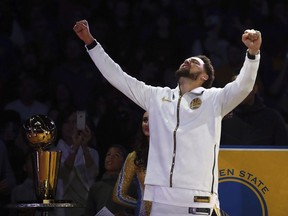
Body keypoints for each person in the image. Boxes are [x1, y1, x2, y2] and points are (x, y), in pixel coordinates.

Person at [73, 20, 262, 216]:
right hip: (160, 198)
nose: (188, 61)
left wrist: (253, 54)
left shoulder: (214, 99)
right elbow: (118, 77)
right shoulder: (156, 96)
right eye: (186, 60)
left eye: (195, 62)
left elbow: (244, 86)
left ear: (204, 77)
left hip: (197, 196)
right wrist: (91, 43)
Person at [55, 108, 99, 216]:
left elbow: (92, 174)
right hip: (62, 207)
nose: (70, 126)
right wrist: (75, 148)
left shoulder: (92, 152)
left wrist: (83, 146)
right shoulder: (52, 152)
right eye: (67, 122)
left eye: (74, 122)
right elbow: (63, 173)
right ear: (60, 125)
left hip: (85, 206)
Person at [221, 76, 288, 146]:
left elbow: (283, 152)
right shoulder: (221, 118)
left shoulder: (273, 119)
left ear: (255, 88)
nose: (240, 90)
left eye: (245, 85)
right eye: (236, 86)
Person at [113, 111, 151, 216]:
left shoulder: (172, 154)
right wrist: (142, 204)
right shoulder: (135, 157)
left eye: (152, 120)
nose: (147, 124)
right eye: (145, 120)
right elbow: (118, 195)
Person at [85, 144, 130, 216]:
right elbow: (89, 212)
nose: (110, 157)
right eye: (108, 154)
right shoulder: (96, 187)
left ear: (125, 161)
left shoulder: (131, 186)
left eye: (116, 155)